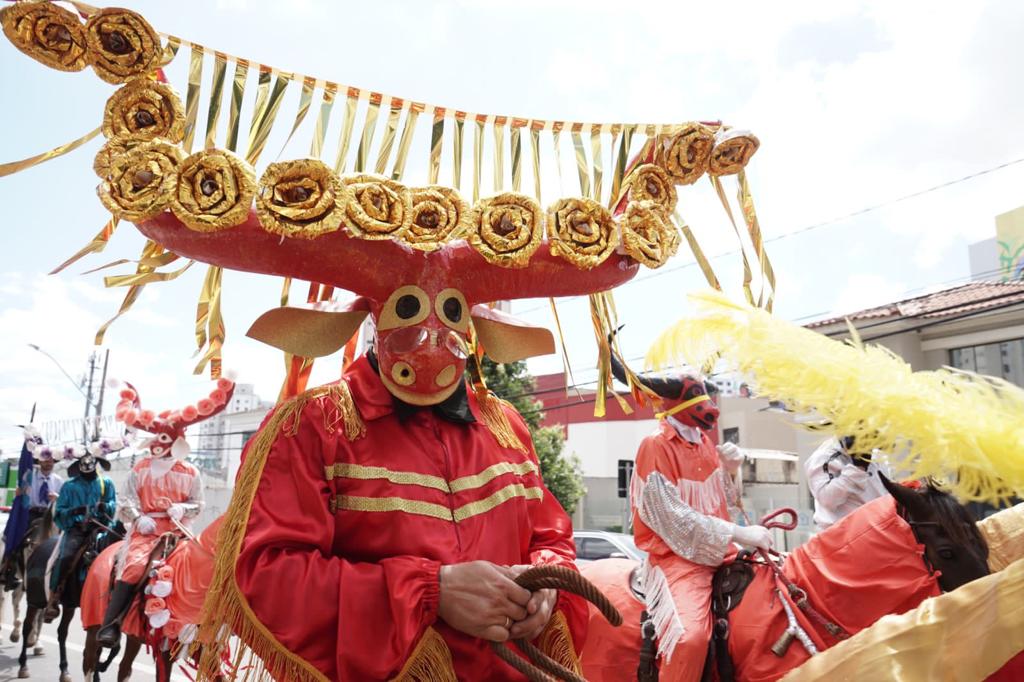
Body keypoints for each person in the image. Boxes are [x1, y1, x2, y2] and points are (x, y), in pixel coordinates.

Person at [611, 351, 773, 682]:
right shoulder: (654, 445)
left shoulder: (704, 442)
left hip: (721, 554)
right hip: (677, 561)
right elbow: (672, 519)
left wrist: (731, 471)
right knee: (690, 639)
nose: (707, 408)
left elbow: (726, 501)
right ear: (679, 405)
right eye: (697, 400)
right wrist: (739, 533)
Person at [96, 379, 228, 646]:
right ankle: (110, 625)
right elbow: (126, 499)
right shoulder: (141, 467)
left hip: (177, 532)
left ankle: (202, 625)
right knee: (133, 567)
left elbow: (198, 503)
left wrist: (183, 508)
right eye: (156, 436)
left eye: (164, 437)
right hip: (146, 533)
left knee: (203, 566)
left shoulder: (191, 472)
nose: (157, 442)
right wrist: (137, 517)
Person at [48, 452, 116, 621]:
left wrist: (105, 507)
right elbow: (60, 511)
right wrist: (74, 511)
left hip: (100, 529)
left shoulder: (106, 483)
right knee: (66, 557)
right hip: (77, 529)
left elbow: (114, 503)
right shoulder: (69, 486)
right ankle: (54, 597)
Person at [805, 435, 888, 532]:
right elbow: (827, 499)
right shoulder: (824, 456)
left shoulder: (877, 455)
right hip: (843, 536)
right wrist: (858, 468)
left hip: (878, 530)